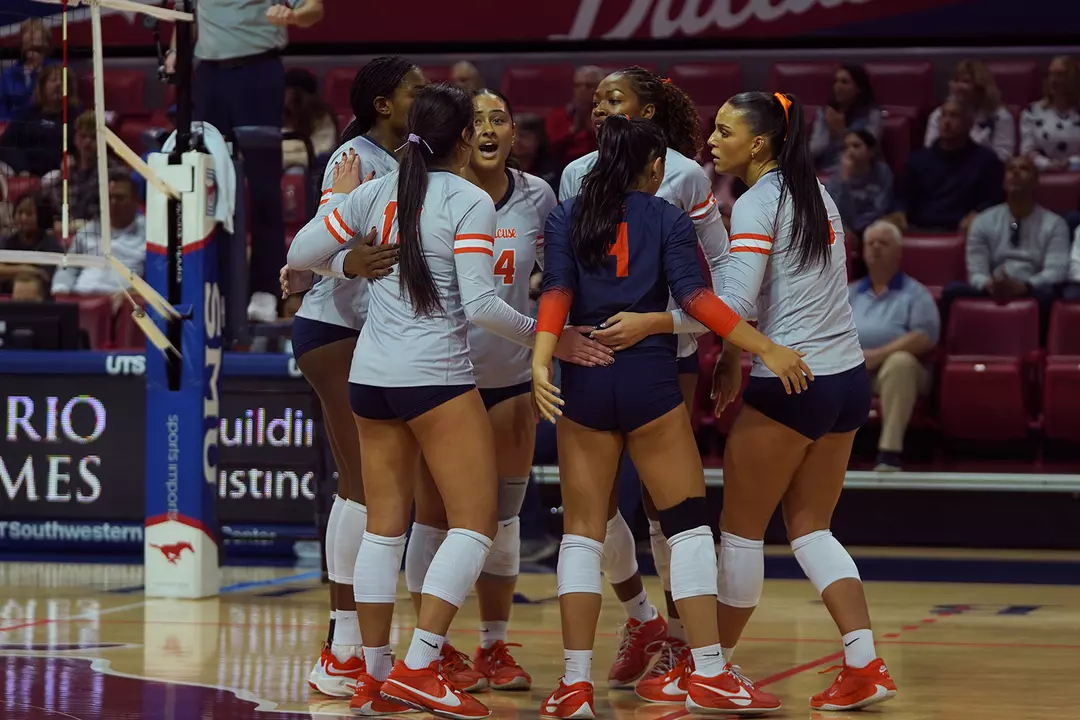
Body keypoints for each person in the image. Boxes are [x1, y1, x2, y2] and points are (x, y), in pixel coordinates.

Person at [286, 83, 603, 719]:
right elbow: (483, 305)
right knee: (476, 522)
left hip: (371, 377)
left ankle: (374, 675)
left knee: (384, 527)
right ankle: (422, 664)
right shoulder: (465, 199)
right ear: (463, 138)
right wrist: (553, 338)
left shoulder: (375, 191)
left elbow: (299, 255)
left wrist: (350, 266)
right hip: (434, 377)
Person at [532, 115, 809, 719]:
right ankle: (708, 670)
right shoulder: (668, 216)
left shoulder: (566, 214)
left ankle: (573, 685)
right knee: (685, 527)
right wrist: (763, 347)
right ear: (655, 166)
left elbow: (554, 292)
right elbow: (697, 301)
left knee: (581, 534)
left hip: (584, 379)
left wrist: (540, 362)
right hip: (651, 383)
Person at [403, 87, 613, 694]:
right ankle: (433, 651)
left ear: (514, 131)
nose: (490, 129)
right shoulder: (431, 193)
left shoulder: (537, 195)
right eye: (479, 120)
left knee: (501, 519)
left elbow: (556, 279)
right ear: (461, 134)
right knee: (436, 519)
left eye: (501, 119)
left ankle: (494, 646)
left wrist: (555, 338)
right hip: (442, 378)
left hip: (511, 377)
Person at [705, 91, 897, 712]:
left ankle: (713, 670)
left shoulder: (757, 203)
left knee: (739, 536)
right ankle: (865, 663)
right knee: (811, 529)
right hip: (845, 383)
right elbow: (779, 293)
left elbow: (730, 306)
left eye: (723, 130)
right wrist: (735, 353)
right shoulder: (816, 191)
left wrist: (653, 321)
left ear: (758, 143)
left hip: (792, 382)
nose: (712, 139)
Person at [559, 66, 730, 693]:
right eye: (597, 98)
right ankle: (641, 618)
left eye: (615, 98)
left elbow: (720, 269)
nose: (601, 106)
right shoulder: (575, 175)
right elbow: (568, 270)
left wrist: (729, 347)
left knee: (666, 504)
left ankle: (686, 644)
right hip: (591, 353)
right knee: (595, 510)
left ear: (648, 111)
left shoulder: (683, 175)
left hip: (666, 350)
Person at [280, 56, 423, 702]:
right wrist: (346, 263)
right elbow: (311, 246)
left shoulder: (411, 158)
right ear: (384, 104)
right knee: (362, 485)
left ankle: (354, 645)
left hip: (370, 336)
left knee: (373, 486)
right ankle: (341, 647)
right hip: (334, 332)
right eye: (413, 89)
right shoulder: (353, 159)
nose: (425, 96)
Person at [166, 0, 325, 323]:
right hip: (207, 77)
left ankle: (266, 289)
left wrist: (293, 15)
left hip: (257, 73)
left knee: (263, 185)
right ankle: (215, 287)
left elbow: (315, 9)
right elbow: (188, 15)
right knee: (207, 188)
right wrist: (175, 51)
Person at [849, 222, 940, 472]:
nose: (876, 248)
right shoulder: (849, 293)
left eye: (883, 243)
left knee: (900, 362)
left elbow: (924, 337)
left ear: (899, 252)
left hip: (900, 373)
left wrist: (877, 356)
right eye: (870, 244)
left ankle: (889, 453)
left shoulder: (916, 293)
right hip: (853, 369)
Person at [888, 97, 1004, 234]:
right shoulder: (918, 160)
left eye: (954, 116)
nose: (947, 122)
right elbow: (902, 198)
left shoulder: (986, 161)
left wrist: (978, 214)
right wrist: (899, 213)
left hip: (964, 231)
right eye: (943, 115)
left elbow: (993, 200)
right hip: (919, 229)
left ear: (969, 123)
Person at [925, 60, 1015, 162]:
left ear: (980, 86)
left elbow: (1004, 155)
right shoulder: (939, 114)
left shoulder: (1000, 116)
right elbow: (930, 149)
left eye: (965, 81)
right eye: (957, 81)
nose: (959, 87)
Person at [809, 64, 882, 172]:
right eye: (836, 81)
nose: (837, 86)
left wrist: (842, 132)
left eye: (844, 82)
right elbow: (815, 147)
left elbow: (866, 149)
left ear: (859, 88)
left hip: (858, 171)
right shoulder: (825, 112)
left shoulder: (871, 114)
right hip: (825, 170)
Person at [825, 129, 894, 241]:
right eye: (846, 147)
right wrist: (845, 181)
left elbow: (880, 208)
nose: (850, 151)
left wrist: (860, 227)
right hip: (845, 228)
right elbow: (838, 213)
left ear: (870, 151)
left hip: (873, 225)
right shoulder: (836, 178)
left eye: (856, 146)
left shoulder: (882, 172)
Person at [1020, 55, 1080, 171]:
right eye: (1050, 74)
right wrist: (1047, 165)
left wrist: (1071, 163)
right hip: (1043, 174)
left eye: (1060, 74)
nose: (1053, 80)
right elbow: (1027, 151)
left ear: (1073, 79)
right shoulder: (1032, 112)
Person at [0, 193, 62, 294]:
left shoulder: (51, 245)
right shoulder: (6, 241)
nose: (23, 218)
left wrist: (10, 271)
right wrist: (28, 270)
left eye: (29, 214)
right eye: (19, 213)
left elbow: (44, 276)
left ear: (42, 217)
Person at [0, 18, 55, 122]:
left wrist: (36, 74)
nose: (33, 53)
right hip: (15, 130)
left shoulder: (59, 71)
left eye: (38, 49)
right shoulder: (8, 76)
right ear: (22, 47)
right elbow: (1, 112)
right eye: (29, 48)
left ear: (47, 46)